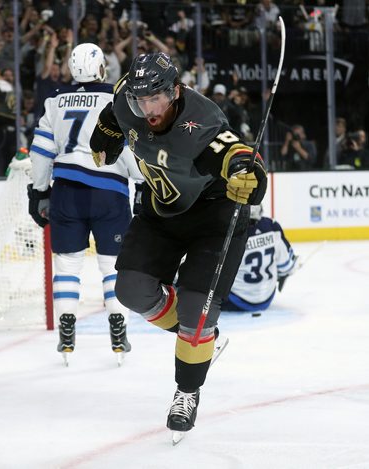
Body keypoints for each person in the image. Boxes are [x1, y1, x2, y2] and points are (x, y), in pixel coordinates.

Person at [89, 52, 267, 438]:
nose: (147, 108)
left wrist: (249, 175)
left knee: (195, 311)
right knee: (131, 290)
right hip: (162, 210)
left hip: (215, 216)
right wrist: (107, 132)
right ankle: (200, 335)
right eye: (141, 100)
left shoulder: (202, 121)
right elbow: (115, 112)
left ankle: (187, 389)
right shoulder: (127, 98)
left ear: (175, 90)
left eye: (155, 98)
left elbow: (236, 154)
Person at [27, 43, 143, 363]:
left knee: (67, 265)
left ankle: (66, 327)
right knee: (112, 266)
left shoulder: (55, 102)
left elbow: (40, 152)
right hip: (110, 194)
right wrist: (143, 185)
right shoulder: (120, 100)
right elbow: (134, 151)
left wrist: (38, 192)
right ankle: (118, 325)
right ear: (102, 68)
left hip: (66, 192)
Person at [222, 205, 298, 315]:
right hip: (266, 299)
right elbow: (287, 266)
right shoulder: (272, 226)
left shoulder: (229, 231)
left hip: (234, 302)